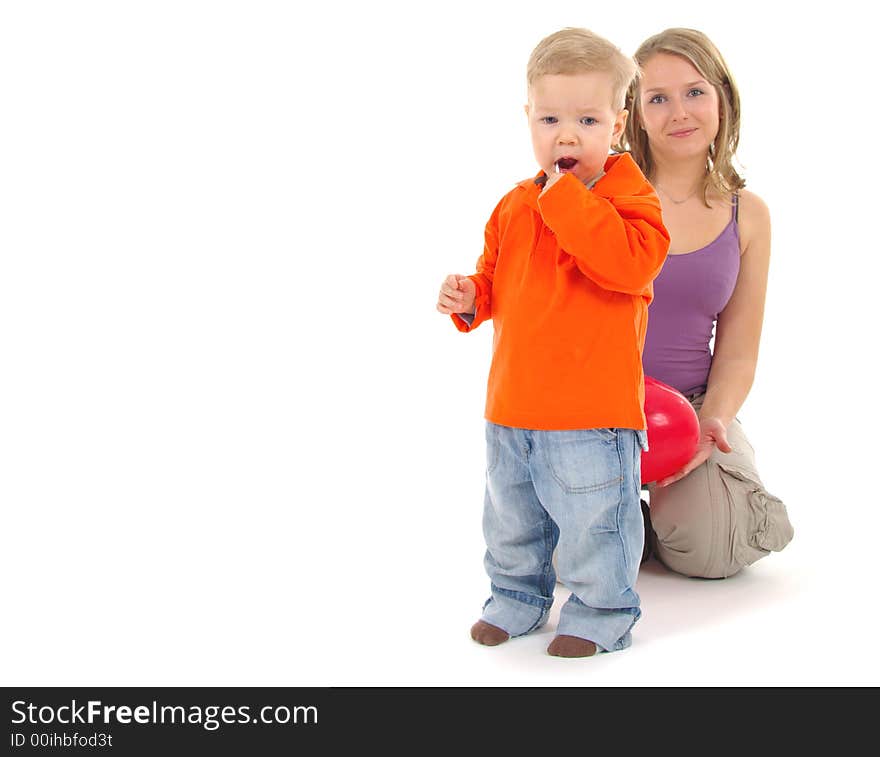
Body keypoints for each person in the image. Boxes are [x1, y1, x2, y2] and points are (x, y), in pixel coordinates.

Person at [436, 28, 669, 657]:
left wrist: (564, 197)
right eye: (551, 118)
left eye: (587, 119)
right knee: (512, 522)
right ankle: (515, 597)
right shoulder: (515, 203)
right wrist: (471, 298)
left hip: (591, 416)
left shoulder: (631, 202)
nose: (566, 134)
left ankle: (601, 612)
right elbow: (495, 277)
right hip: (512, 407)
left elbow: (626, 266)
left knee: (597, 525)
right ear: (528, 121)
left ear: (618, 126)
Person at [619, 28, 794, 578]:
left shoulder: (750, 216)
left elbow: (738, 352)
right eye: (658, 98)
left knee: (712, 553)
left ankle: (668, 518)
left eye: (695, 92)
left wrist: (710, 421)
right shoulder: (604, 198)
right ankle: (626, 525)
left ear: (722, 97)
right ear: (634, 114)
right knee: (557, 560)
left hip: (691, 407)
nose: (680, 112)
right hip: (598, 408)